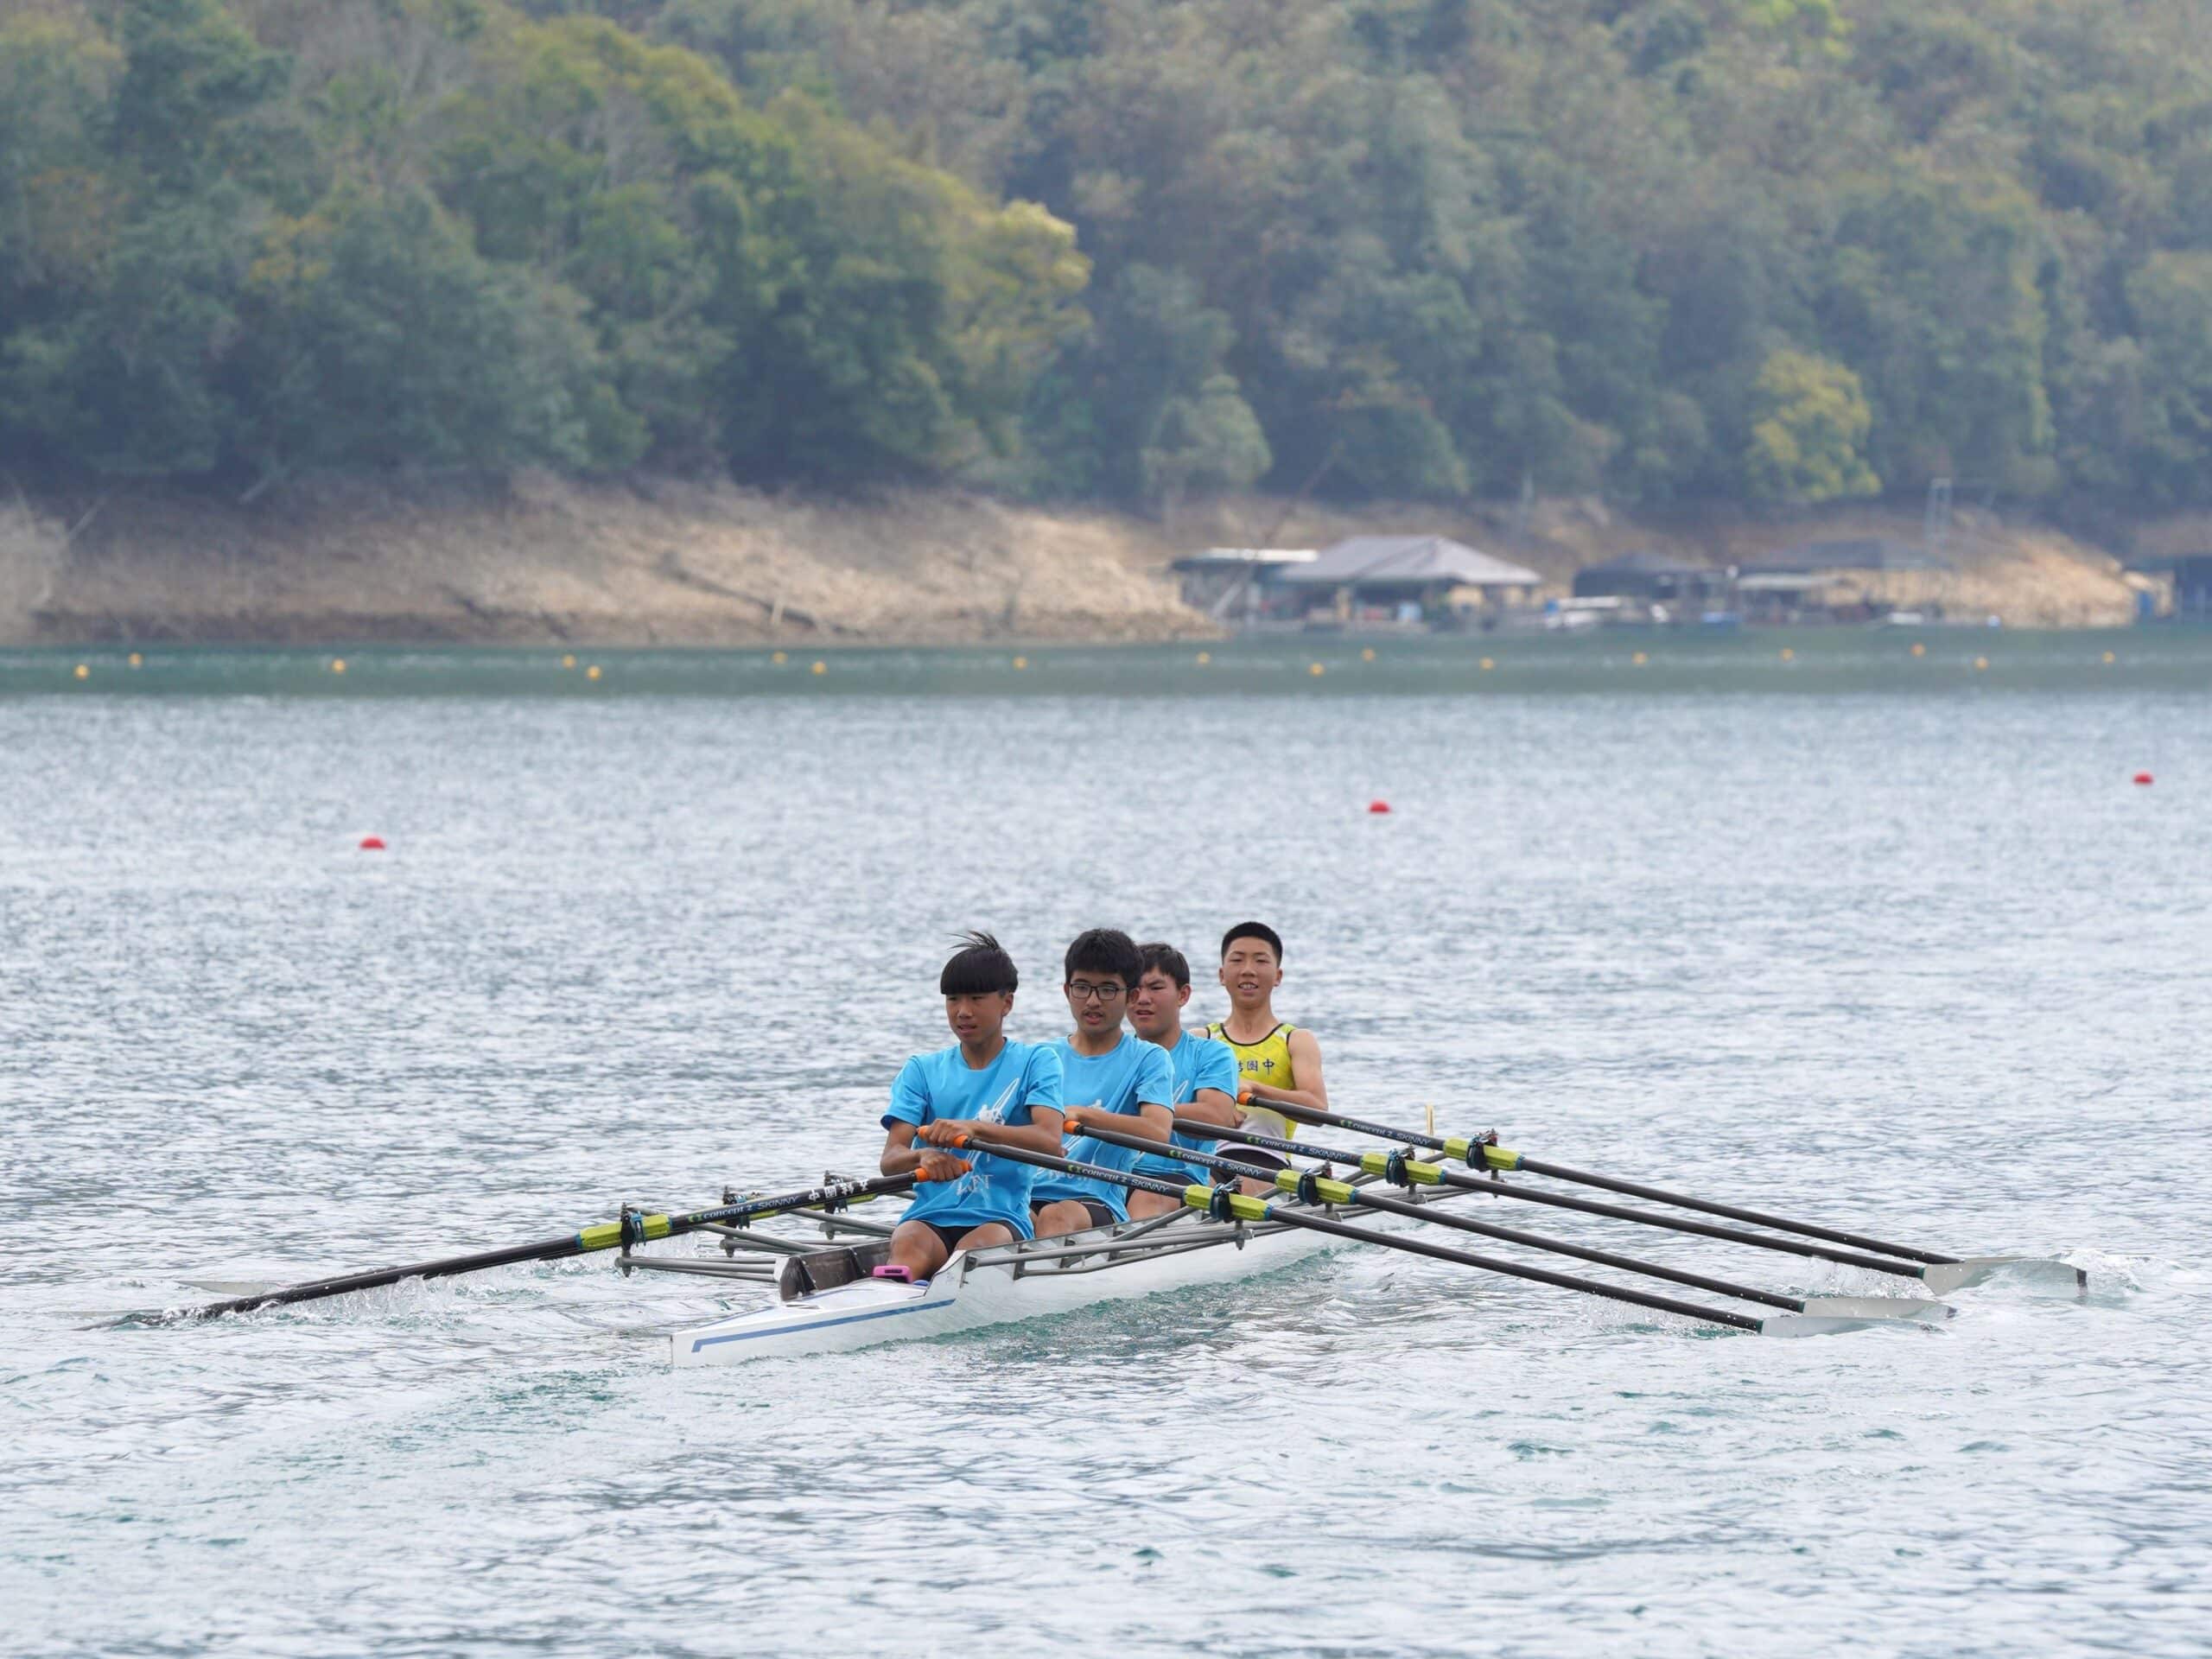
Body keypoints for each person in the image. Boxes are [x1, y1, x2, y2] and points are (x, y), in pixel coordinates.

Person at [877, 931, 1067, 1281]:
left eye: (977, 999)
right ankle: (892, 1292)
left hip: (1001, 1220)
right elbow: (890, 1160)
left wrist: (974, 1128)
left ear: (1006, 1003)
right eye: (953, 1000)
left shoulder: (1037, 1062)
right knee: (907, 1243)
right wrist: (922, 1157)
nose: (963, 1012)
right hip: (930, 1217)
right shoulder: (921, 1069)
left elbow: (1049, 1140)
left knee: (970, 1254)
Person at [1027, 928, 1174, 1237]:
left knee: (1054, 1216)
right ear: (1067, 990)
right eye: (1082, 988)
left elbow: (1158, 1132)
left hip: (1096, 1200)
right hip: (1026, 1193)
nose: (1093, 1001)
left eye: (1108, 989)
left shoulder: (1149, 1058)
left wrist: (1084, 1115)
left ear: (1131, 996)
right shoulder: (1040, 1056)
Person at [1124, 941, 1244, 1219]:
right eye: (1134, 989)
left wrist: (1151, 1115)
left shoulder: (1210, 1054)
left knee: (1146, 1199)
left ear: (1183, 995)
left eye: (1155, 988)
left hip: (1177, 1176)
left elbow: (1216, 1117)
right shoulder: (1112, 1055)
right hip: (1109, 1173)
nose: (1143, 999)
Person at [1205, 921, 1328, 1173]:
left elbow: (1317, 1108)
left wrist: (1254, 1090)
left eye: (1260, 961)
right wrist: (1219, 1107)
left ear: (1278, 976)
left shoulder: (1295, 1040)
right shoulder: (1203, 1040)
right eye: (1237, 960)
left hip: (1268, 1161)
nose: (1248, 970)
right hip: (1207, 1162)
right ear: (1222, 975)